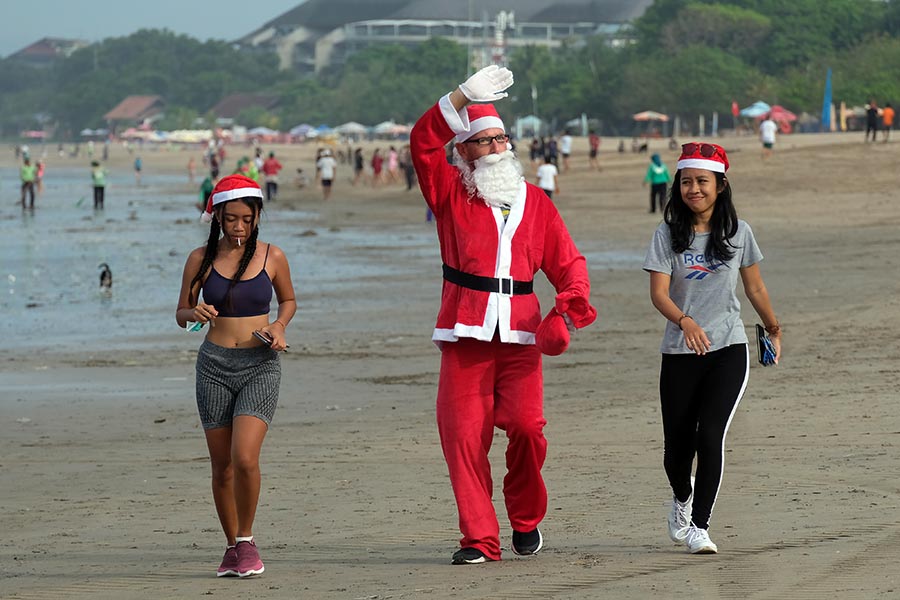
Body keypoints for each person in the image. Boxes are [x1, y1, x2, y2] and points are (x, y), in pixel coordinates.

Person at [410, 64, 597, 565]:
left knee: (527, 429)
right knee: (462, 438)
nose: (496, 148)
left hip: (520, 338)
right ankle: (479, 539)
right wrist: (459, 96)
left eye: (501, 140)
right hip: (464, 333)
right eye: (483, 141)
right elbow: (421, 145)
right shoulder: (449, 194)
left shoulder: (536, 203)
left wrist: (568, 309)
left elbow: (569, 264)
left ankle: (526, 518)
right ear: (463, 152)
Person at [642, 142, 782, 555]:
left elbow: (754, 286)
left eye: (702, 181)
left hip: (728, 348)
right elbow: (659, 294)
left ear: (720, 185)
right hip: (680, 353)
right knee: (676, 450)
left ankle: (700, 526)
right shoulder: (666, 234)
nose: (694, 189)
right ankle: (681, 498)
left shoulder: (739, 232)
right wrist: (684, 321)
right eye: (686, 182)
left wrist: (773, 328)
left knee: (710, 436)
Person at [175, 174, 296, 578]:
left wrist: (279, 327)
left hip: (260, 366)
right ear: (217, 218)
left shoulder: (272, 257)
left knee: (245, 458)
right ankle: (231, 546)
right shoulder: (200, 259)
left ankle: (246, 539)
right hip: (213, 367)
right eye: (231, 219)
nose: (239, 227)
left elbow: (289, 301)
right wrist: (194, 314)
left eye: (246, 219)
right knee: (221, 465)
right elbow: (181, 313)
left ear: (257, 216)